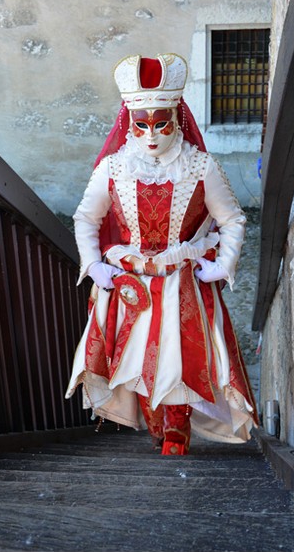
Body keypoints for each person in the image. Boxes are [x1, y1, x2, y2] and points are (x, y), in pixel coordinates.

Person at [65, 53, 259, 455]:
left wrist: (220, 266)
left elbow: (233, 220)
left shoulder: (201, 166)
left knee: (178, 356)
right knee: (134, 359)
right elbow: (86, 217)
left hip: (181, 281)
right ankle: (156, 427)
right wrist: (94, 265)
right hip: (129, 282)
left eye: (161, 123)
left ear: (176, 116)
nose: (151, 134)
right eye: (141, 124)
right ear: (129, 121)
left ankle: (176, 429)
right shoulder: (113, 168)